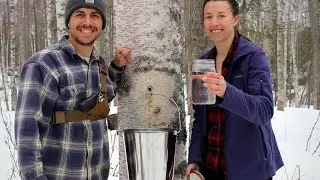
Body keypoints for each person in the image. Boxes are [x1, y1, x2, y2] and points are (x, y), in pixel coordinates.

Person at [14, 0, 131, 179]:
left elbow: (102, 97)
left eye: (95, 16)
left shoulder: (97, 63)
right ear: (68, 20)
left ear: (102, 24)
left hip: (97, 174)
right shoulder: (44, 64)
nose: (88, 22)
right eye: (80, 14)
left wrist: (116, 67)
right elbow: (27, 133)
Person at [186, 0, 283, 180]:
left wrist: (226, 92)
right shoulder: (203, 62)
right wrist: (195, 158)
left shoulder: (254, 56)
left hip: (249, 170)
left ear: (235, 19)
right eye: (208, 17)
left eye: (221, 16)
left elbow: (264, 110)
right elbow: (200, 118)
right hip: (211, 168)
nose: (214, 22)